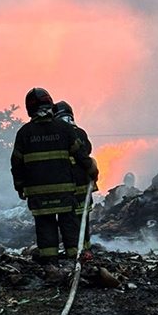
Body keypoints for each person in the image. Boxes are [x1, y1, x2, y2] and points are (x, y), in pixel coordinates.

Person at [11, 88, 98, 261]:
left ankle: (50, 264)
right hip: (64, 193)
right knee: (70, 226)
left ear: (29, 109)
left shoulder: (24, 133)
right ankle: (75, 262)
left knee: (45, 229)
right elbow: (81, 154)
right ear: (50, 104)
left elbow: (16, 163)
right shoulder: (64, 129)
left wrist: (19, 185)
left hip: (38, 196)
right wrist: (92, 170)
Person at [53, 100, 99, 249]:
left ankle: (73, 250)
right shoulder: (80, 132)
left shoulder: (58, 134)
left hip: (67, 187)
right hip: (83, 186)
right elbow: (88, 151)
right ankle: (85, 249)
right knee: (83, 220)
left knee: (68, 221)